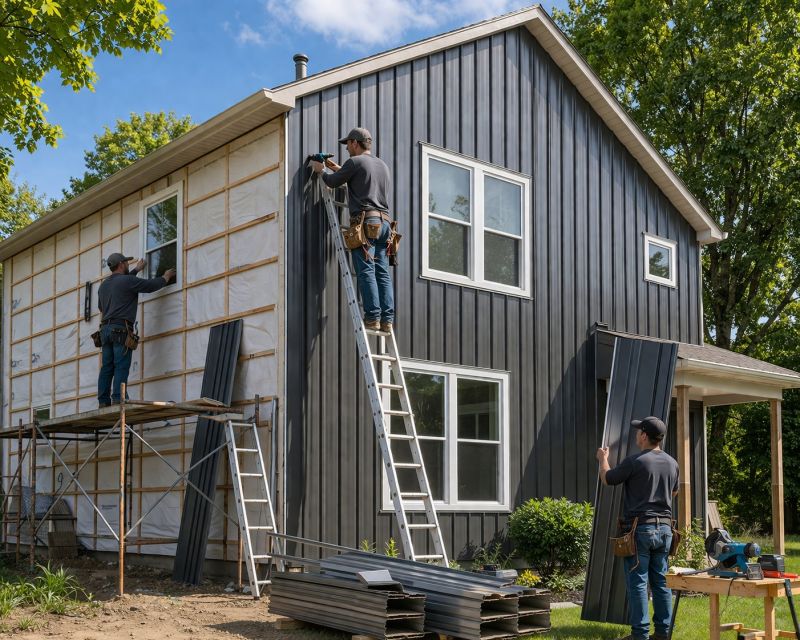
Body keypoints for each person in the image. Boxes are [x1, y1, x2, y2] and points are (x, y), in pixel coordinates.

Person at [596, 416, 679, 640]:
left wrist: (603, 459)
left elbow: (608, 478)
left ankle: (640, 635)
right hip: (665, 530)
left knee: (639, 584)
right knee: (661, 582)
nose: (635, 435)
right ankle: (663, 634)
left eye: (638, 431)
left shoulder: (635, 461)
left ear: (644, 436)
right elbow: (673, 493)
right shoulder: (672, 463)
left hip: (641, 530)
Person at [310, 127, 394, 333]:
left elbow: (331, 181)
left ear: (355, 143)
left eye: (347, 144)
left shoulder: (355, 163)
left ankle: (372, 317)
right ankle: (387, 319)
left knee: (366, 271)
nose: (346, 148)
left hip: (366, 223)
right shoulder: (382, 166)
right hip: (385, 225)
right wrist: (340, 169)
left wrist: (320, 169)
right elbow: (362, 182)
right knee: (382, 273)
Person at [97, 253, 175, 407]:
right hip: (121, 329)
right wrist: (165, 277)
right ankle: (119, 398)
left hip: (105, 330)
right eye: (126, 263)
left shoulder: (103, 286)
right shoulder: (127, 281)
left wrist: (136, 270)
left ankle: (103, 401)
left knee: (107, 367)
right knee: (121, 365)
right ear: (121, 264)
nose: (128, 264)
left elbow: (102, 306)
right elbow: (150, 286)